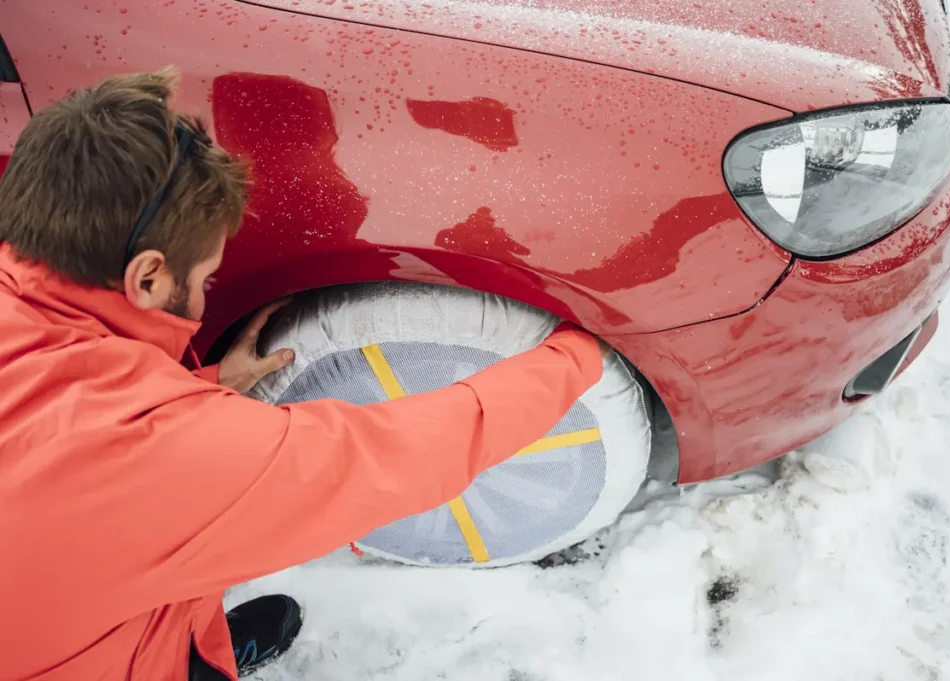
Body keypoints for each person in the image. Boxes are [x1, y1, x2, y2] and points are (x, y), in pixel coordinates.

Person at [0, 68, 603, 681]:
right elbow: (396, 459)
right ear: (148, 278)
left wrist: (201, 391)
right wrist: (577, 361)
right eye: (206, 279)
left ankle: (191, 640)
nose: (210, 290)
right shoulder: (141, 468)